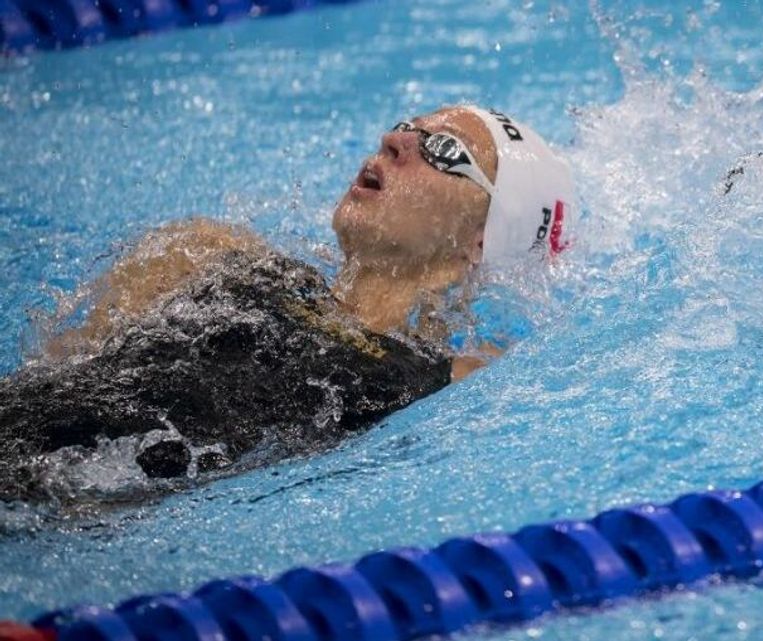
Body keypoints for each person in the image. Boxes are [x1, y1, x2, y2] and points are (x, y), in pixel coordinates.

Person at [0, 105, 576, 504]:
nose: (396, 141)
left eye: (443, 150)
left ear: (476, 242)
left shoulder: (447, 379)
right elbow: (52, 370)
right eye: (407, 126)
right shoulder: (209, 256)